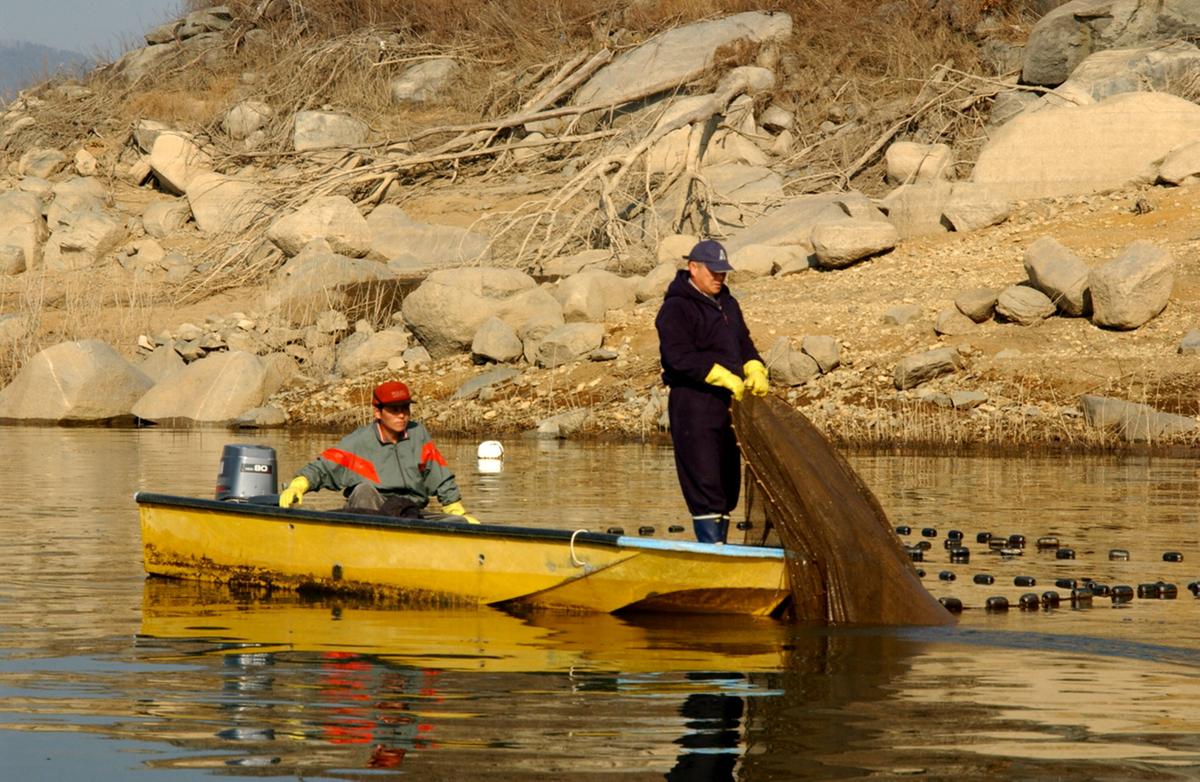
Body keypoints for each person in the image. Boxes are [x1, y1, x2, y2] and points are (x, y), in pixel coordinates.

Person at [655, 239, 769, 543]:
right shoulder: (675, 308)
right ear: (693, 268)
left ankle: (722, 546)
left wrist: (755, 366)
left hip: (730, 407)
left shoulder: (728, 303)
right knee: (704, 480)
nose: (720, 277)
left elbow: (743, 342)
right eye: (713, 272)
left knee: (728, 479)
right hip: (694, 405)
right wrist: (717, 374)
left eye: (723, 272)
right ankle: (712, 547)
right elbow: (677, 358)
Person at [278, 380, 477, 522]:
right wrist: (298, 485)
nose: (402, 415)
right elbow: (323, 467)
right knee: (364, 490)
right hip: (371, 512)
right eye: (394, 410)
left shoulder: (419, 434)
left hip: (409, 513)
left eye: (405, 409)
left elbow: (440, 476)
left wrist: (455, 508)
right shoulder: (359, 441)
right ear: (377, 412)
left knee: (456, 523)